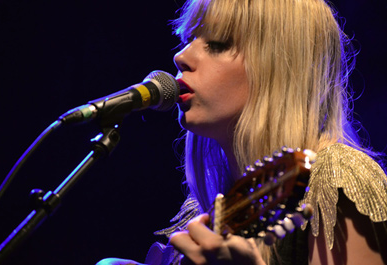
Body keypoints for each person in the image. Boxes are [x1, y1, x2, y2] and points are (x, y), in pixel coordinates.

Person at [97, 0, 387, 264]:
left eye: (218, 43)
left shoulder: (338, 176)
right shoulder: (206, 208)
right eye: (188, 40)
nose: (181, 57)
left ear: (278, 67)